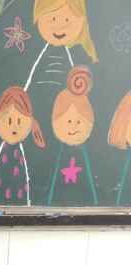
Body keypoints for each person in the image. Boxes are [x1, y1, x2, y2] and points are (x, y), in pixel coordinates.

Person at [0, 85, 45, 206]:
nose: (14, 127)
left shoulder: (21, 158)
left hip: (20, 209)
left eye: (19, 121)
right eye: (9, 121)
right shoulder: (3, 157)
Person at [47, 66, 97, 206]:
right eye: (68, 121)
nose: (73, 127)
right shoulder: (59, 153)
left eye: (79, 121)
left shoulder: (84, 154)